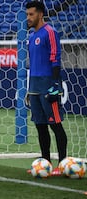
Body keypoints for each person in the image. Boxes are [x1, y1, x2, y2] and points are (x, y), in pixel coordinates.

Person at [25, 1, 68, 175]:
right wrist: (30, 88)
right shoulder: (30, 37)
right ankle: (46, 164)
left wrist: (55, 86)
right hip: (34, 86)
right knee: (40, 126)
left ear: (40, 14)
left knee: (55, 125)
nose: (28, 17)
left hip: (48, 85)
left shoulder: (50, 32)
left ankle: (63, 164)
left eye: (31, 14)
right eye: (27, 14)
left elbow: (55, 58)